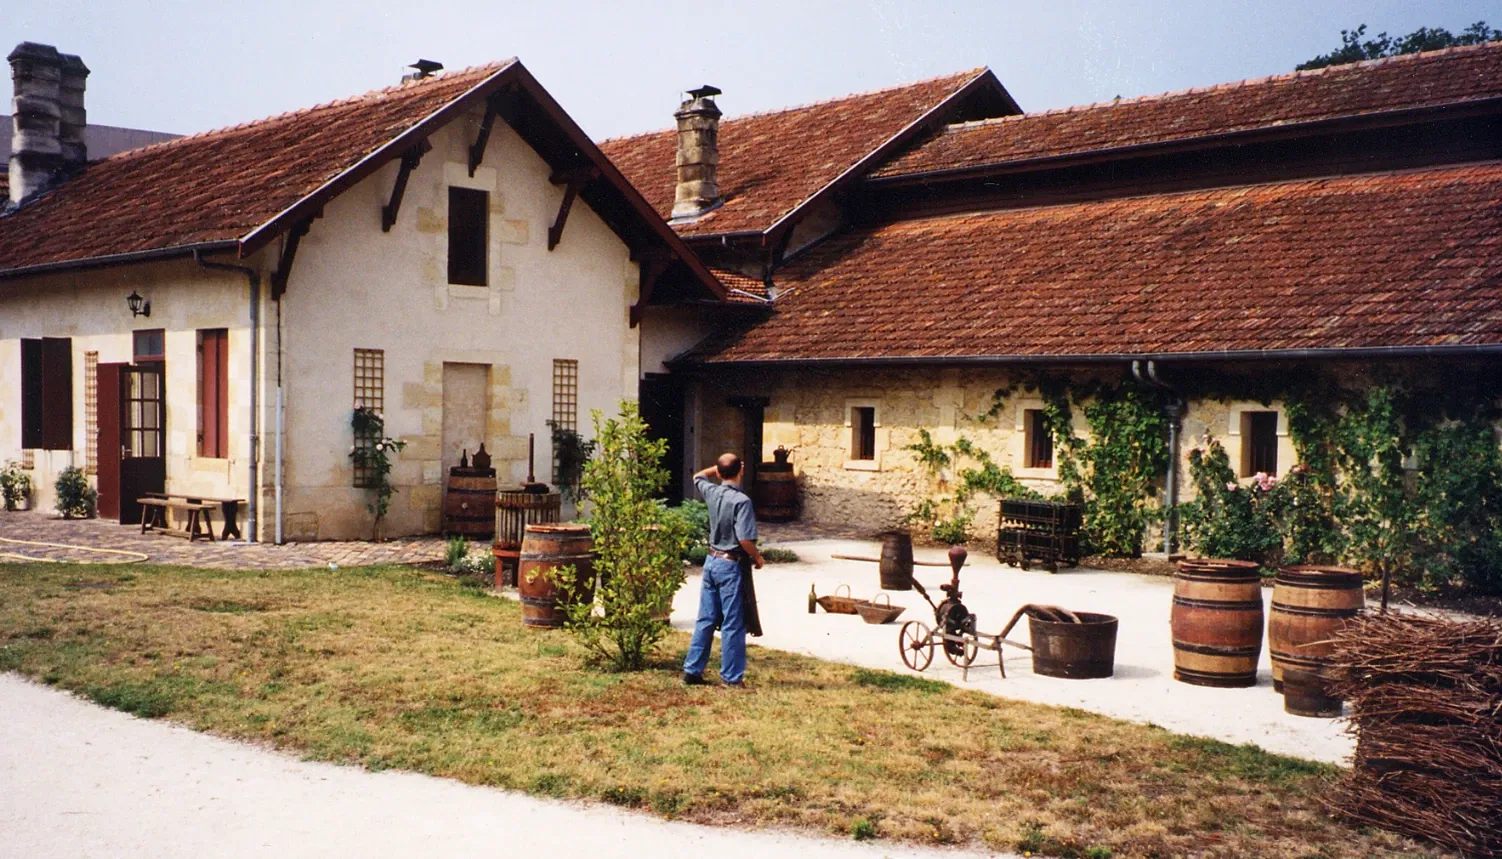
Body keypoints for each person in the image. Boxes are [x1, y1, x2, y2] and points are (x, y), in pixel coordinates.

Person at [683, 452, 764, 688]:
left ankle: (692, 670)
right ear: (741, 469)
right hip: (730, 565)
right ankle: (731, 677)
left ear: (718, 473)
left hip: (711, 561)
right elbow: (745, 539)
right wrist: (758, 558)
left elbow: (699, 475)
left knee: (706, 619)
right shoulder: (742, 502)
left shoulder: (713, 491)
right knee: (733, 622)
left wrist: (717, 469)